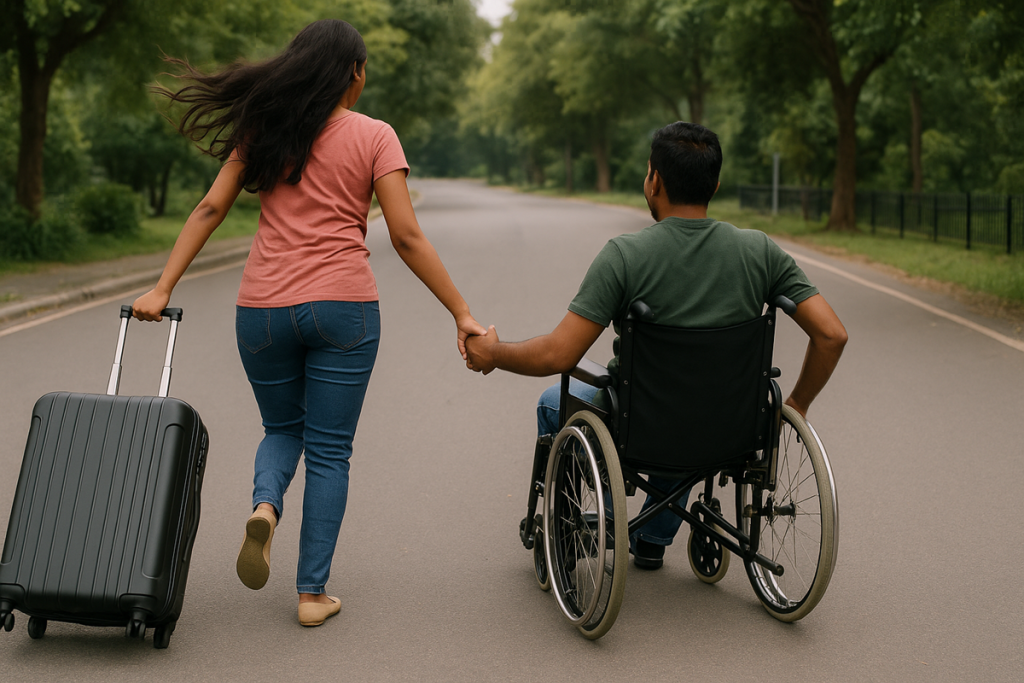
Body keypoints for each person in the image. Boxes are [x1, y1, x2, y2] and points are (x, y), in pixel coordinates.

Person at [131, 19, 485, 626]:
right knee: (329, 452)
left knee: (281, 427)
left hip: (262, 310)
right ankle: (311, 595)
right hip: (343, 310)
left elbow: (211, 207)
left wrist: (162, 287)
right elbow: (405, 236)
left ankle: (265, 507)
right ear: (355, 73)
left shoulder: (264, 128)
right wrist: (461, 311)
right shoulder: (375, 135)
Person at [465, 121, 847, 570]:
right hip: (730, 426)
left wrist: (493, 354)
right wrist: (795, 407)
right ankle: (652, 537)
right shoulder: (760, 251)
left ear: (655, 181)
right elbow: (832, 334)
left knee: (557, 403)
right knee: (689, 408)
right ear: (715, 184)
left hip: (642, 423)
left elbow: (558, 355)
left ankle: (593, 527)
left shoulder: (625, 256)